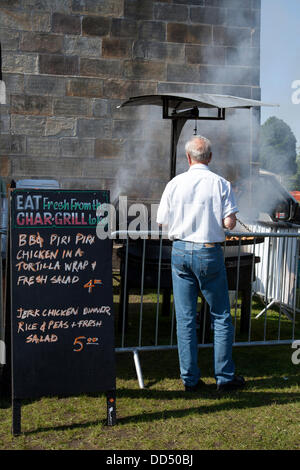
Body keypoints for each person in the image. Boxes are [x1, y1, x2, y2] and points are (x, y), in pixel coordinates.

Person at [156, 135, 245, 392]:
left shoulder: (175, 183)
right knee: (221, 316)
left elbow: (162, 220)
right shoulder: (221, 183)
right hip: (208, 251)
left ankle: (190, 380)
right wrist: (227, 219)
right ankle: (225, 378)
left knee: (184, 318)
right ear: (210, 157)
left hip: (181, 250)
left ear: (188, 158)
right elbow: (229, 223)